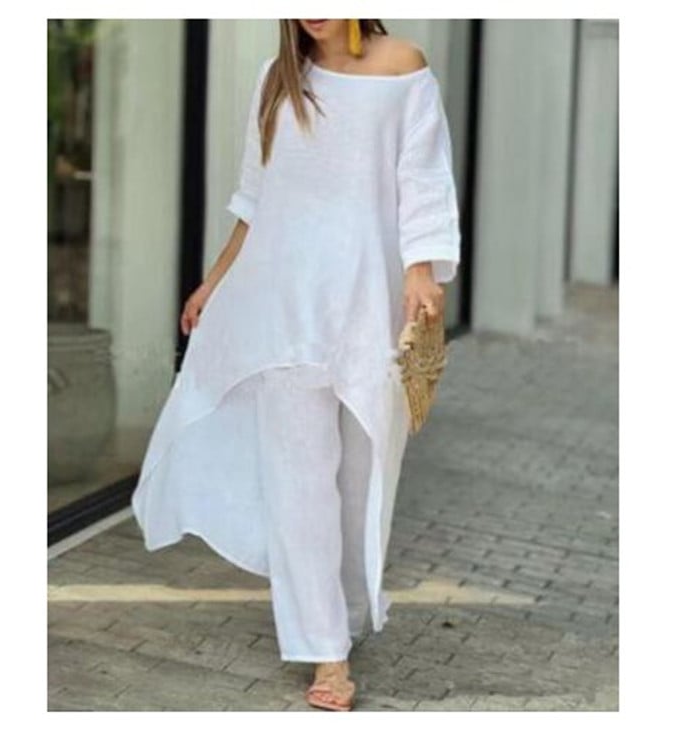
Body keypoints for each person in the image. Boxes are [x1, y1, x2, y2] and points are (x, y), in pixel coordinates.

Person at [131, 19, 461, 711]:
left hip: (368, 306)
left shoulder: (403, 66)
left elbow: (423, 179)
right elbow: (255, 203)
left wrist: (421, 270)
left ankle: (344, 611)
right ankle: (326, 652)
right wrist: (215, 281)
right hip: (281, 304)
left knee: (362, 478)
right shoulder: (277, 81)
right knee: (299, 484)